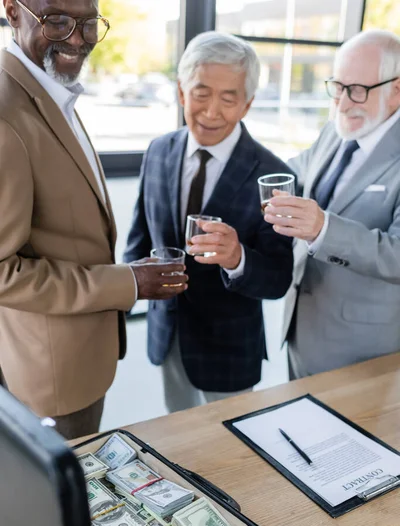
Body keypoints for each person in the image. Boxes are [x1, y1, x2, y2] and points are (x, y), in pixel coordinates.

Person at [0, 0, 188, 439]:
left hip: (76, 362)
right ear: (12, 11)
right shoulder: (7, 116)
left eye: (89, 23)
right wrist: (130, 283)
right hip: (50, 381)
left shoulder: (48, 89)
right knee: (62, 503)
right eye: (58, 21)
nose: (79, 40)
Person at [123, 31, 293, 412]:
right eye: (200, 94)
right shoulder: (158, 151)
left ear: (247, 104)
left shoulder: (272, 173)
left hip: (230, 352)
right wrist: (122, 292)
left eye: (228, 98)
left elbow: (279, 277)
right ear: (182, 93)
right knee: (178, 450)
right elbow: (138, 239)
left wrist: (237, 257)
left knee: (230, 460)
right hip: (167, 338)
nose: (212, 111)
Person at [263, 30, 400, 379]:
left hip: (363, 350)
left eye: (357, 90)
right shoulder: (336, 129)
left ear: (397, 89)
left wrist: (324, 229)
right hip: (302, 333)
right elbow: (292, 173)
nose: (341, 102)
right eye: (337, 86)